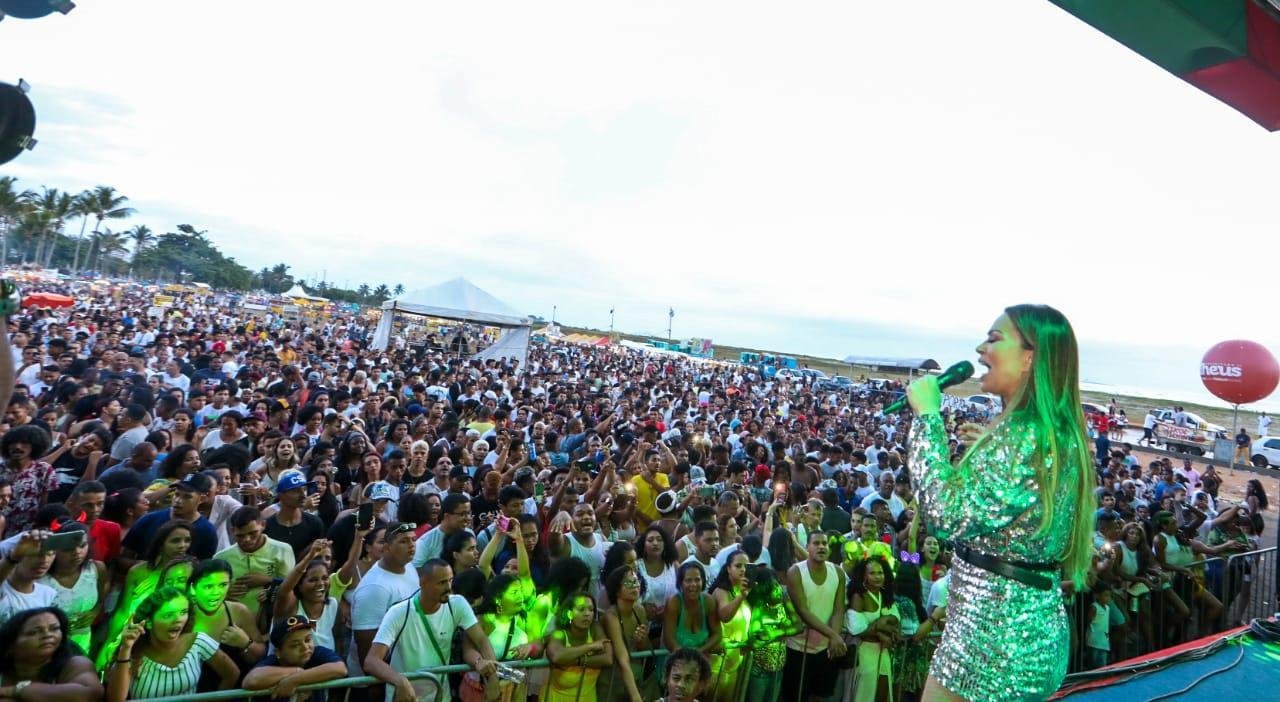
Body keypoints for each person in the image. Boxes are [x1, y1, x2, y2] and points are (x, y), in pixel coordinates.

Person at [905, 304, 1096, 701]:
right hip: (1025, 627)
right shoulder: (1051, 431)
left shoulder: (1025, 434)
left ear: (1030, 357)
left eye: (994, 339)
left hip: (992, 638)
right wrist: (988, 455)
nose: (980, 349)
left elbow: (944, 514)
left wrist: (927, 418)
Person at [364, 558, 499, 702]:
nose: (448, 587)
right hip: (405, 697)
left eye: (450, 580)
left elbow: (481, 639)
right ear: (423, 583)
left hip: (440, 695)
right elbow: (371, 660)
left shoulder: (457, 604)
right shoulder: (399, 612)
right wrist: (400, 681)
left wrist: (493, 676)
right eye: (441, 583)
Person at [105, 586, 239, 701]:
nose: (178, 620)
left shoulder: (198, 641)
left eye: (183, 612)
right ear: (149, 622)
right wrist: (126, 648)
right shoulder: (134, 653)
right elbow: (115, 700)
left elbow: (232, 674)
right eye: (168, 615)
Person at [782, 530, 846, 702]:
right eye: (816, 543)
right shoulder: (795, 572)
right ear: (807, 547)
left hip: (825, 649)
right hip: (797, 648)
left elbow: (839, 609)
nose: (821, 547)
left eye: (824, 544)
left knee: (819, 697)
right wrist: (834, 635)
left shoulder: (838, 573)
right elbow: (803, 611)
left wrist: (834, 638)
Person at [0, 607, 103, 702]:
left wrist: (12, 691)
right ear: (10, 646)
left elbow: (89, 693)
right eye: (34, 632)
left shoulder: (76, 663)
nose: (47, 634)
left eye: (54, 629)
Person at [243, 614, 347, 702]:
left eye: (307, 640)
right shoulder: (272, 661)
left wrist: (295, 680)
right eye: (295, 645)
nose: (305, 647)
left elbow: (340, 669)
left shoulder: (316, 652)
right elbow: (252, 680)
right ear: (279, 652)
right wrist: (297, 671)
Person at [545, 592, 613, 702]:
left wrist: (577, 660)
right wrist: (590, 647)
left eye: (591, 610)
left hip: (588, 698)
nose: (587, 614)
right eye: (581, 609)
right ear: (569, 613)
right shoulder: (560, 634)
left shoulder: (595, 628)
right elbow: (556, 656)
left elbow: (608, 658)